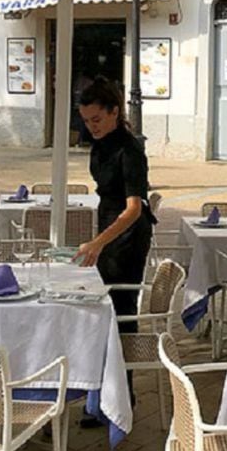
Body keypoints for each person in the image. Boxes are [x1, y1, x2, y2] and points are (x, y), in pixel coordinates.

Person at [74, 77, 155, 426]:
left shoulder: (129, 148)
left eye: (96, 120)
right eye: (86, 120)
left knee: (119, 311)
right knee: (101, 311)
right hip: (108, 225)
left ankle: (122, 398)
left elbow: (134, 208)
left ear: (114, 112)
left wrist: (99, 242)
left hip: (128, 234)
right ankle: (103, 394)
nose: (91, 126)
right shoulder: (100, 142)